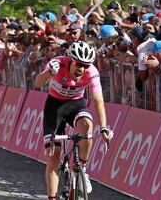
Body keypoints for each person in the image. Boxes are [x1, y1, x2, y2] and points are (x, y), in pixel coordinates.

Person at [34, 41, 112, 200]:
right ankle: (52, 197)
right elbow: (37, 83)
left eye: (85, 65)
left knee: (87, 127)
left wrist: (103, 127)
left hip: (75, 105)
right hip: (54, 107)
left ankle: (81, 169)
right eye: (78, 64)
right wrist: (49, 73)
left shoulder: (91, 72)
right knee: (53, 156)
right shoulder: (57, 64)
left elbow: (98, 101)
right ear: (70, 60)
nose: (81, 69)